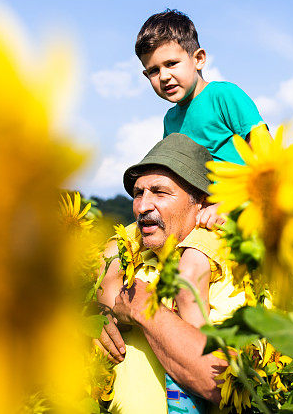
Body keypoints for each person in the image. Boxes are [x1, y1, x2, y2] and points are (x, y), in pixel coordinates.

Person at [96, 134, 245, 414]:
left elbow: (222, 383)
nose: (142, 206)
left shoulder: (227, 267)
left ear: (201, 202)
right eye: (138, 193)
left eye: (159, 192)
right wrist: (96, 323)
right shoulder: (128, 257)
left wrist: (144, 309)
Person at [134, 9, 265, 229]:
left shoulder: (223, 96)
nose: (164, 76)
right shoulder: (170, 120)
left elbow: (265, 156)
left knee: (192, 261)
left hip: (240, 208)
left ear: (199, 59)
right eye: (154, 71)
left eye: (172, 63)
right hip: (197, 214)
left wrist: (226, 203)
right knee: (124, 244)